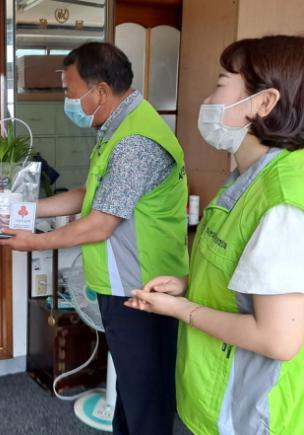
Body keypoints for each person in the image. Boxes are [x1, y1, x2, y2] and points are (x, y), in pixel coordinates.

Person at [0, 41, 188, 435]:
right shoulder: (118, 128)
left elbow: (100, 222)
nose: (67, 100)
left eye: (69, 90)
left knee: (147, 402)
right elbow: (91, 194)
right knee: (131, 397)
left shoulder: (135, 141)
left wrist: (31, 242)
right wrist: (25, 210)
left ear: (100, 91)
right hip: (127, 285)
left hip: (142, 289)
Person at [126, 35, 304, 435]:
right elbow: (249, 278)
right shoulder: (245, 178)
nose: (207, 100)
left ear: (264, 103)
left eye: (221, 84)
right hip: (211, 395)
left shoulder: (283, 201)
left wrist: (180, 310)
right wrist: (188, 284)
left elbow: (278, 338)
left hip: (251, 414)